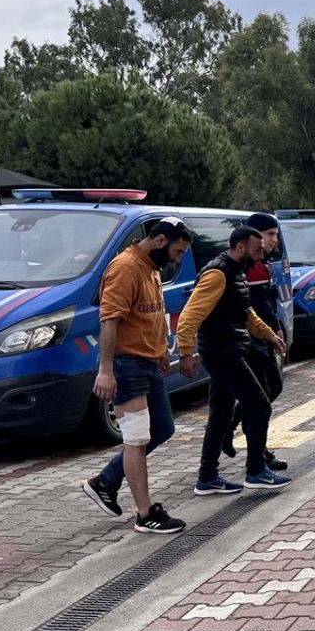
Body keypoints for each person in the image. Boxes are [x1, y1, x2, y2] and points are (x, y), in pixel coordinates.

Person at [81, 217, 193, 534]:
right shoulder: (126, 268)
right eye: (178, 251)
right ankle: (145, 515)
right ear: (160, 241)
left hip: (147, 362)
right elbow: (110, 321)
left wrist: (160, 350)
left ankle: (105, 481)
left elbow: (150, 315)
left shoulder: (151, 268)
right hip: (126, 364)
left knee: (163, 428)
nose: (178, 259)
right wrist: (105, 370)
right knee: (137, 438)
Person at [177, 225, 291, 495]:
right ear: (241, 248)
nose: (261, 254)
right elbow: (189, 316)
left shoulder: (234, 270)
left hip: (228, 347)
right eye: (257, 249)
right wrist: (184, 353)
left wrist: (268, 335)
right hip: (221, 351)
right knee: (259, 405)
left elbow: (245, 311)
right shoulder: (218, 273)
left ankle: (207, 477)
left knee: (220, 415)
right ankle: (255, 470)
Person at [221, 213, 288, 472]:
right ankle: (257, 455)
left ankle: (238, 429)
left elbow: (268, 304)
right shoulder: (245, 267)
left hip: (265, 336)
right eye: (269, 235)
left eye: (275, 235)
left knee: (271, 389)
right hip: (249, 340)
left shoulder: (264, 264)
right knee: (259, 398)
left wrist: (276, 329)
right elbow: (248, 308)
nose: (273, 240)